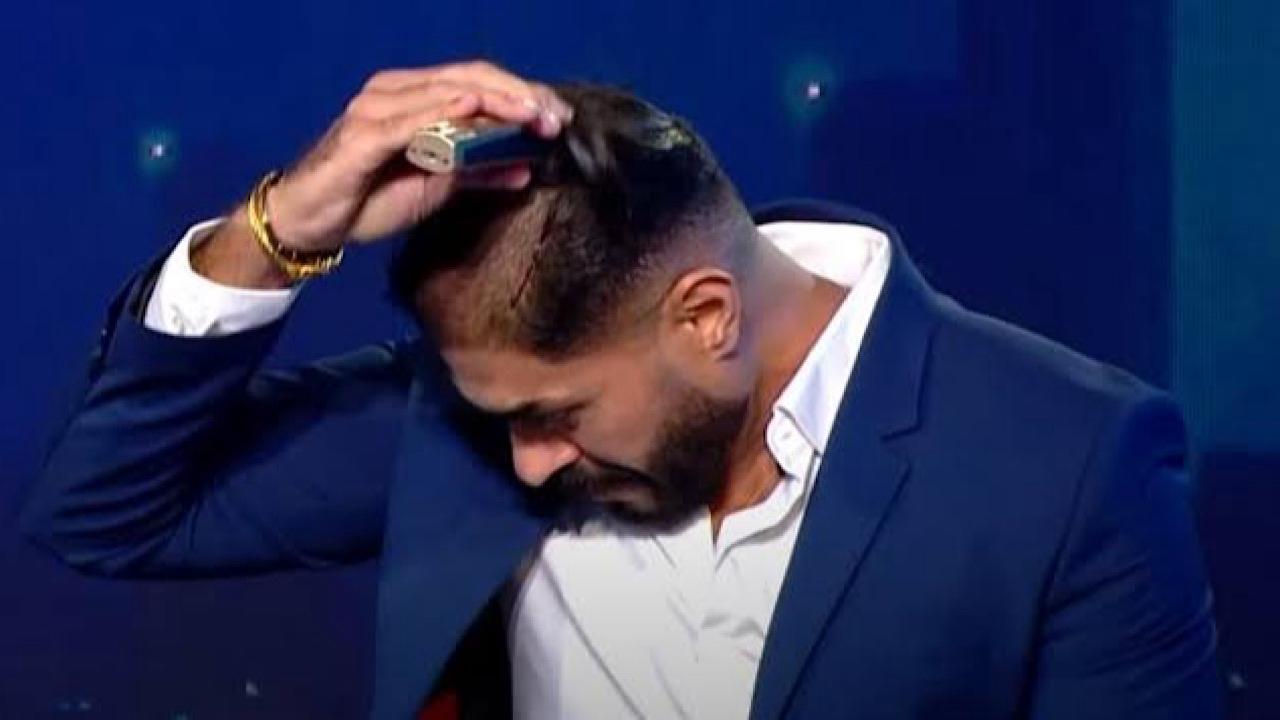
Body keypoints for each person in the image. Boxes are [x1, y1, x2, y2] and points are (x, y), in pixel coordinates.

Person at [21, 60, 1222, 719]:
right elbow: (107, 512)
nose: (525, 460)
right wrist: (281, 224)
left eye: (555, 415)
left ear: (705, 317)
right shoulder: (463, 429)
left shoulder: (1069, 462)